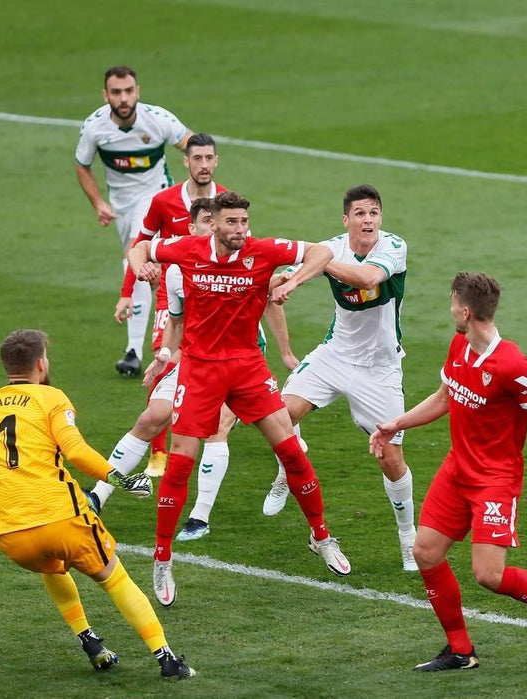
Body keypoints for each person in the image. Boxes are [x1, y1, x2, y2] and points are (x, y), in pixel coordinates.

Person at [129, 191, 347, 606]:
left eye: (243, 222)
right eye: (231, 223)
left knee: (293, 452)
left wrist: (296, 281)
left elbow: (321, 250)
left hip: (248, 366)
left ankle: (321, 537)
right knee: (179, 463)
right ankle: (161, 558)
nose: (239, 231)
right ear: (211, 222)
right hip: (200, 367)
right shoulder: (186, 248)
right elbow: (140, 245)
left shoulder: (262, 251)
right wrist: (143, 269)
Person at [370, 272, 527, 671]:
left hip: (495, 480)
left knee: (488, 574)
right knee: (425, 552)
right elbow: (444, 397)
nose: (450, 309)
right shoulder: (459, 345)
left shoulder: (511, 364)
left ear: (465, 311)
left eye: (453, 302)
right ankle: (460, 649)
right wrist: (395, 424)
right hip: (457, 472)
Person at [0, 329, 195, 679]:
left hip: (7, 533)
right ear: (41, 363)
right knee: (115, 579)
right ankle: (167, 660)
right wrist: (120, 478)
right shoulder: (51, 398)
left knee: (51, 565)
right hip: (61, 517)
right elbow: (75, 450)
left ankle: (91, 643)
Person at [90, 198, 295, 542]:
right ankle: (98, 495)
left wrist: (286, 351)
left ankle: (199, 516)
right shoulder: (178, 269)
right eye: (206, 223)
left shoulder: (244, 258)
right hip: (194, 357)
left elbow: (271, 304)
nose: (216, 229)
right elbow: (178, 321)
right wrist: (164, 356)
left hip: (239, 356)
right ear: (196, 228)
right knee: (151, 418)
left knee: (217, 428)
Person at [263, 185, 417, 571]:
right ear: (346, 219)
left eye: (374, 213)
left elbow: (367, 279)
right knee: (277, 417)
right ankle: (287, 469)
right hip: (335, 356)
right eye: (360, 214)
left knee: (391, 459)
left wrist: (314, 268)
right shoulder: (330, 247)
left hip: (379, 369)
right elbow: (293, 272)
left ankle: (407, 537)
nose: (368, 220)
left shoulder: (392, 247)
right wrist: (289, 278)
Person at [112, 132, 228, 477]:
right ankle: (158, 451)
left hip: (215, 300)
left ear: (216, 161)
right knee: (163, 365)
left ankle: (218, 429)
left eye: (209, 158)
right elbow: (140, 245)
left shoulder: (227, 202)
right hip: (171, 296)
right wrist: (128, 290)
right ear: (186, 162)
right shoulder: (164, 201)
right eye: (198, 158)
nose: (204, 165)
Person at [74, 65, 192, 377]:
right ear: (106, 95)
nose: (124, 98)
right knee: (152, 271)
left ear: (138, 91)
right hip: (120, 206)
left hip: (156, 198)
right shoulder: (95, 127)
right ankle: (173, 335)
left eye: (129, 91)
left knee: (134, 261)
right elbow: (82, 166)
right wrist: (98, 202)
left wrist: (197, 184)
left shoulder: (158, 120)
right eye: (116, 92)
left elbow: (193, 145)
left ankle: (133, 351)